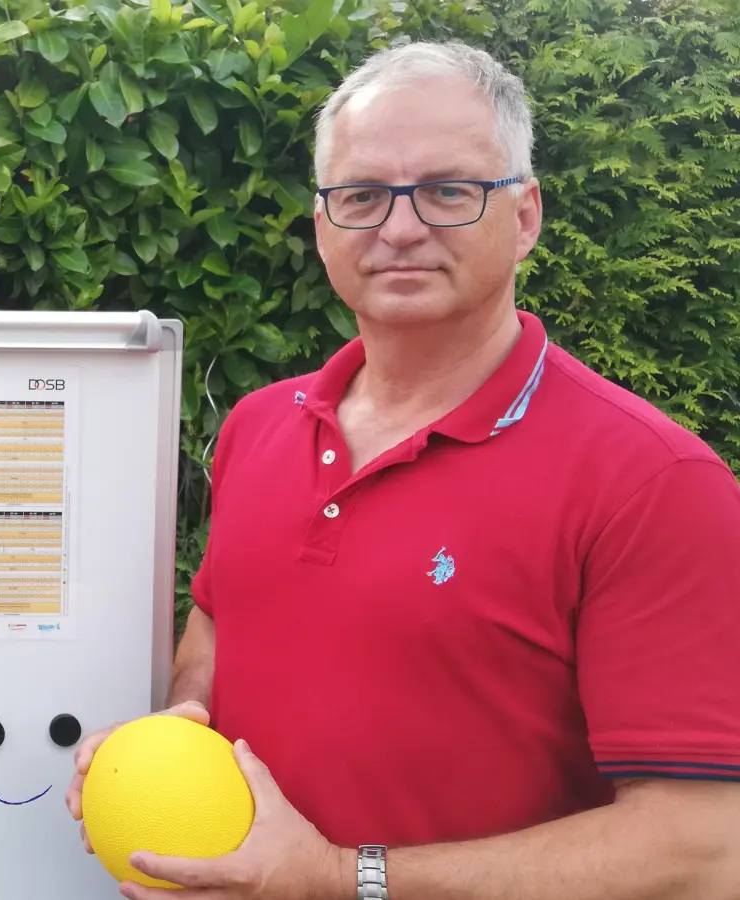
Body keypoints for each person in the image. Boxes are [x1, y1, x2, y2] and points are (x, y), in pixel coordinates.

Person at [66, 40, 740, 900]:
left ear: (526, 214)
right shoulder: (259, 427)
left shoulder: (652, 481)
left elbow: (703, 851)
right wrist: (171, 738)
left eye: (448, 191)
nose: (400, 228)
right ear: (322, 223)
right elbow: (218, 628)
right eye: (361, 195)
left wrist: (341, 879)